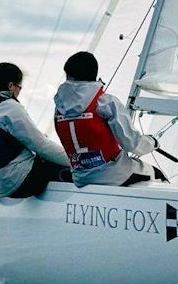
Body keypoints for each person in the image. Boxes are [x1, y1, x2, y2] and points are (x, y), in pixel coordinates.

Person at [53, 51, 166, 187]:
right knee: (158, 175)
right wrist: (152, 142)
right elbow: (133, 145)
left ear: (68, 75)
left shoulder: (58, 108)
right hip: (114, 175)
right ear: (94, 75)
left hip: (80, 178)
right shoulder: (105, 102)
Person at [0, 63, 70, 198]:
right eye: (19, 87)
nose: (18, 92)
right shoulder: (7, 107)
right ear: (11, 86)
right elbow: (42, 146)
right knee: (59, 164)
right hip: (21, 182)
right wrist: (76, 162)